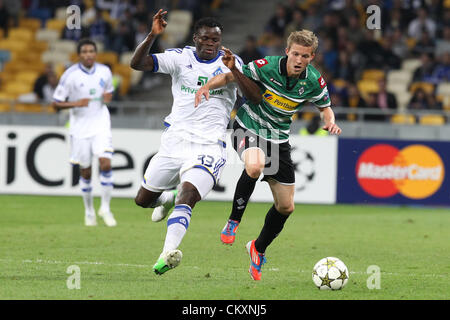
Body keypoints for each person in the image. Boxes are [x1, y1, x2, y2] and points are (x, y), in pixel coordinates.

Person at [196, 30, 342, 280]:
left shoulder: (314, 81)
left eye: (304, 56)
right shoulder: (267, 66)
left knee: (286, 206)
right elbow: (231, 76)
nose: (298, 59)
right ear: (287, 51)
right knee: (254, 166)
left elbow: (325, 108)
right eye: (295, 53)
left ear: (311, 57)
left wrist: (330, 121)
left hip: (278, 139)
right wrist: (206, 86)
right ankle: (233, 221)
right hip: (246, 126)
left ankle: (258, 248)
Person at [130, 10, 243, 275]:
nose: (210, 44)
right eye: (205, 39)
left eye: (215, 39)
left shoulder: (231, 62)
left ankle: (166, 253)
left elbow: (252, 92)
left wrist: (235, 71)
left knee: (189, 194)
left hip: (209, 145)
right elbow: (138, 64)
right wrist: (152, 36)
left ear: (220, 40)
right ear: (195, 38)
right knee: (143, 200)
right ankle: (165, 198)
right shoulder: (180, 58)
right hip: (175, 142)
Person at [52, 38, 117, 227]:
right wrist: (75, 103)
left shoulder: (105, 71)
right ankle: (89, 211)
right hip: (80, 127)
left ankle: (105, 208)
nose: (88, 54)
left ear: (95, 54)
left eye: (91, 51)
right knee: (86, 171)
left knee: (105, 162)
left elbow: (109, 94)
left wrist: (108, 97)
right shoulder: (69, 75)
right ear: (79, 54)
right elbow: (55, 103)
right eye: (85, 52)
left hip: (100, 123)